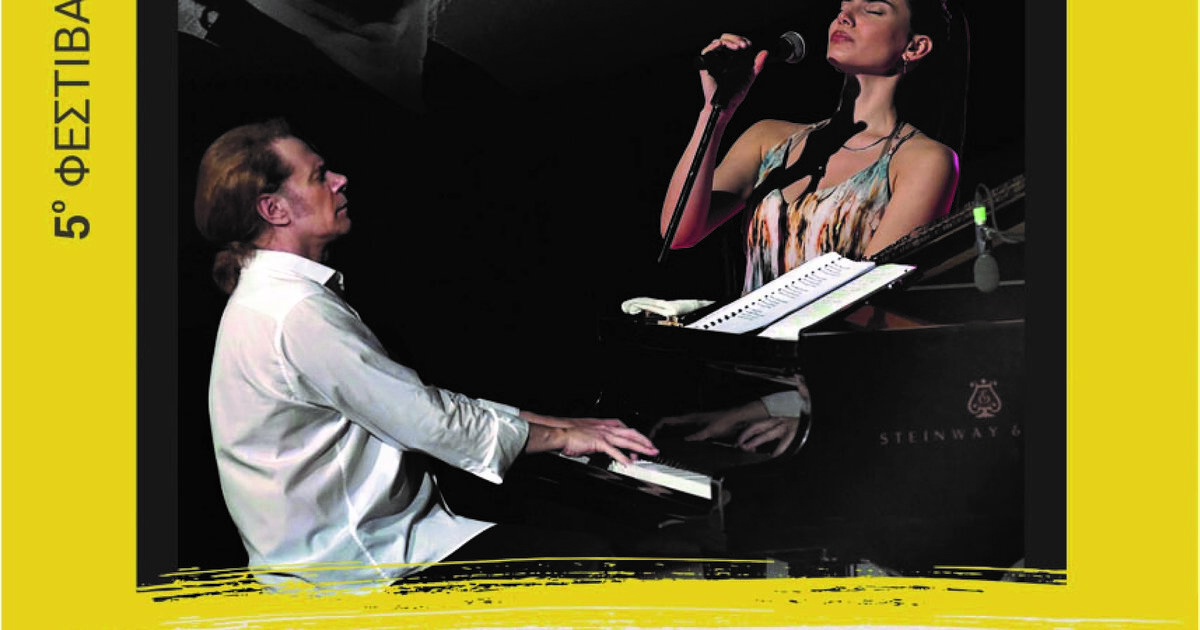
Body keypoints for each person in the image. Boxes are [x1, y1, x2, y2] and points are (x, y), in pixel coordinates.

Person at [194, 119, 660, 591]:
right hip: (363, 571)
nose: (340, 180)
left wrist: (553, 422)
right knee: (607, 564)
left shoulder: (267, 297)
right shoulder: (296, 311)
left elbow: (413, 401)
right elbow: (429, 421)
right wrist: (562, 437)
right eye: (319, 176)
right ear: (273, 209)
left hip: (359, 555)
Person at [652, 0, 966, 456]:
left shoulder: (922, 161)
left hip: (823, 402)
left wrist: (793, 411)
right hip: (733, 376)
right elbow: (678, 231)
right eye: (843, 6)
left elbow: (868, 312)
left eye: (873, 10)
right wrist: (715, 112)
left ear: (915, 47)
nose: (845, 16)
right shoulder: (769, 137)